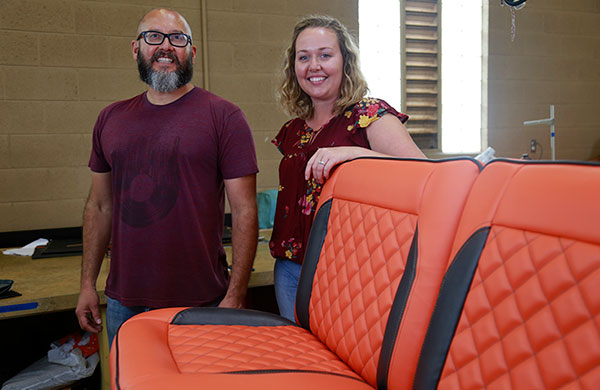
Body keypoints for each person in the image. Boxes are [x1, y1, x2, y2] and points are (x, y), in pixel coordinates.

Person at [75, 8, 259, 348]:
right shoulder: (110, 119)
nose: (166, 47)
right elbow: (99, 206)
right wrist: (88, 284)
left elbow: (245, 211)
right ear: (136, 48)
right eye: (153, 37)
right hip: (123, 301)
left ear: (191, 51)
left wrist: (236, 293)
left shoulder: (224, 116)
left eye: (178, 39)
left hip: (200, 299)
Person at [269, 15, 425, 322]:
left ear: (345, 62)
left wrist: (356, 153)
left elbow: (426, 174)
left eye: (325, 55)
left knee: (336, 367)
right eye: (304, 57)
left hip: (346, 270)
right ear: (294, 68)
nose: (314, 66)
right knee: (298, 361)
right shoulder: (292, 130)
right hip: (289, 268)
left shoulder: (369, 116)